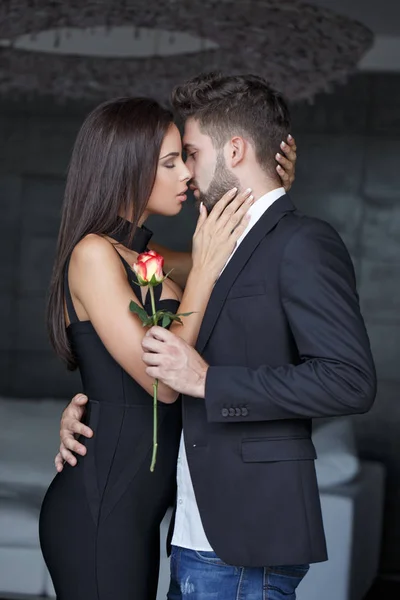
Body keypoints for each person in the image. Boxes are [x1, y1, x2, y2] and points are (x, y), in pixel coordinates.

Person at [52, 77, 310, 600]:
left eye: (185, 158)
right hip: (101, 506)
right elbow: (162, 384)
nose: (188, 173)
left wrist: (268, 191)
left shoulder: (145, 261)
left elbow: (240, 254)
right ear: (128, 166)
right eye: (171, 162)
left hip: (143, 513)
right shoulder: (93, 255)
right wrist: (207, 266)